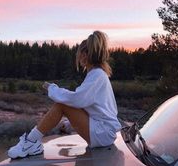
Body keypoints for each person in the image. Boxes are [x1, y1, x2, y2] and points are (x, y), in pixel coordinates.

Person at [8, 31, 121, 159]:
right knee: (65, 105)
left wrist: (52, 88)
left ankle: (30, 142)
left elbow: (77, 99)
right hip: (104, 132)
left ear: (84, 55)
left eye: (79, 54)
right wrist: (70, 122)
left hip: (103, 133)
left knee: (61, 106)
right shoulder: (98, 74)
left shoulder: (97, 75)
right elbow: (91, 106)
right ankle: (31, 142)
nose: (78, 58)